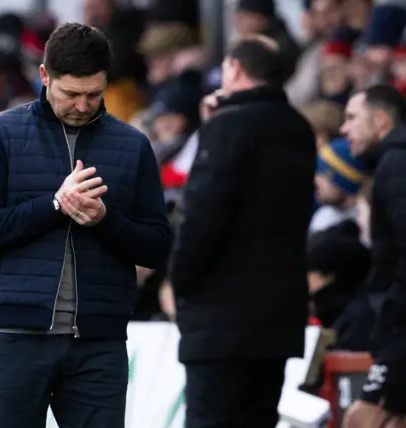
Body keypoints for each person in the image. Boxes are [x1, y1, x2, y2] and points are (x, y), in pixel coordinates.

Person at [0, 22, 170, 428]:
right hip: (15, 337)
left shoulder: (132, 145)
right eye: (71, 94)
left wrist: (105, 221)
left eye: (94, 94)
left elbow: (156, 246)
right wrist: (56, 205)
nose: (82, 105)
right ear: (44, 76)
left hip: (99, 342)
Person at [169, 34, 316, 428]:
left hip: (220, 319)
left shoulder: (226, 128)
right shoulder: (299, 129)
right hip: (278, 319)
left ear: (234, 68)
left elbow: (201, 218)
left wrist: (180, 282)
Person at [340, 84, 406, 427]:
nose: (344, 129)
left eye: (352, 118)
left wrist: (393, 314)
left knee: (364, 418)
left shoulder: (398, 162)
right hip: (401, 322)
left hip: (405, 326)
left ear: (382, 119)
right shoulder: (396, 159)